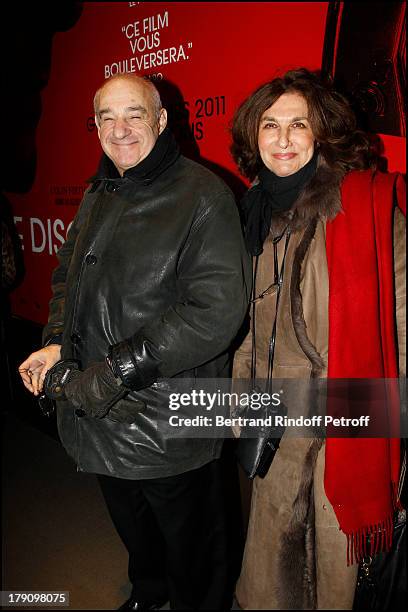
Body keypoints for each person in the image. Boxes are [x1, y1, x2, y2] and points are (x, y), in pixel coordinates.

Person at [19, 73, 251, 611]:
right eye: (107, 117)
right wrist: (56, 342)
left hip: (169, 422)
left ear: (162, 120)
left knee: (195, 550)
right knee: (135, 529)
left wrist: (116, 371)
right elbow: (66, 280)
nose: (121, 130)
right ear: (95, 125)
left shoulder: (203, 195)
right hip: (100, 415)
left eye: (135, 115)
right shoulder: (100, 191)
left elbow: (214, 311)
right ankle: (149, 595)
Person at [231, 68, 405, 610]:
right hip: (273, 426)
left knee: (339, 579)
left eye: (298, 124)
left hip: (348, 425)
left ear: (322, 134)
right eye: (269, 125)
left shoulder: (365, 207)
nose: (282, 139)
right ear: (252, 137)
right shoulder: (249, 214)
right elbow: (240, 327)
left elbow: (402, 316)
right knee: (270, 577)